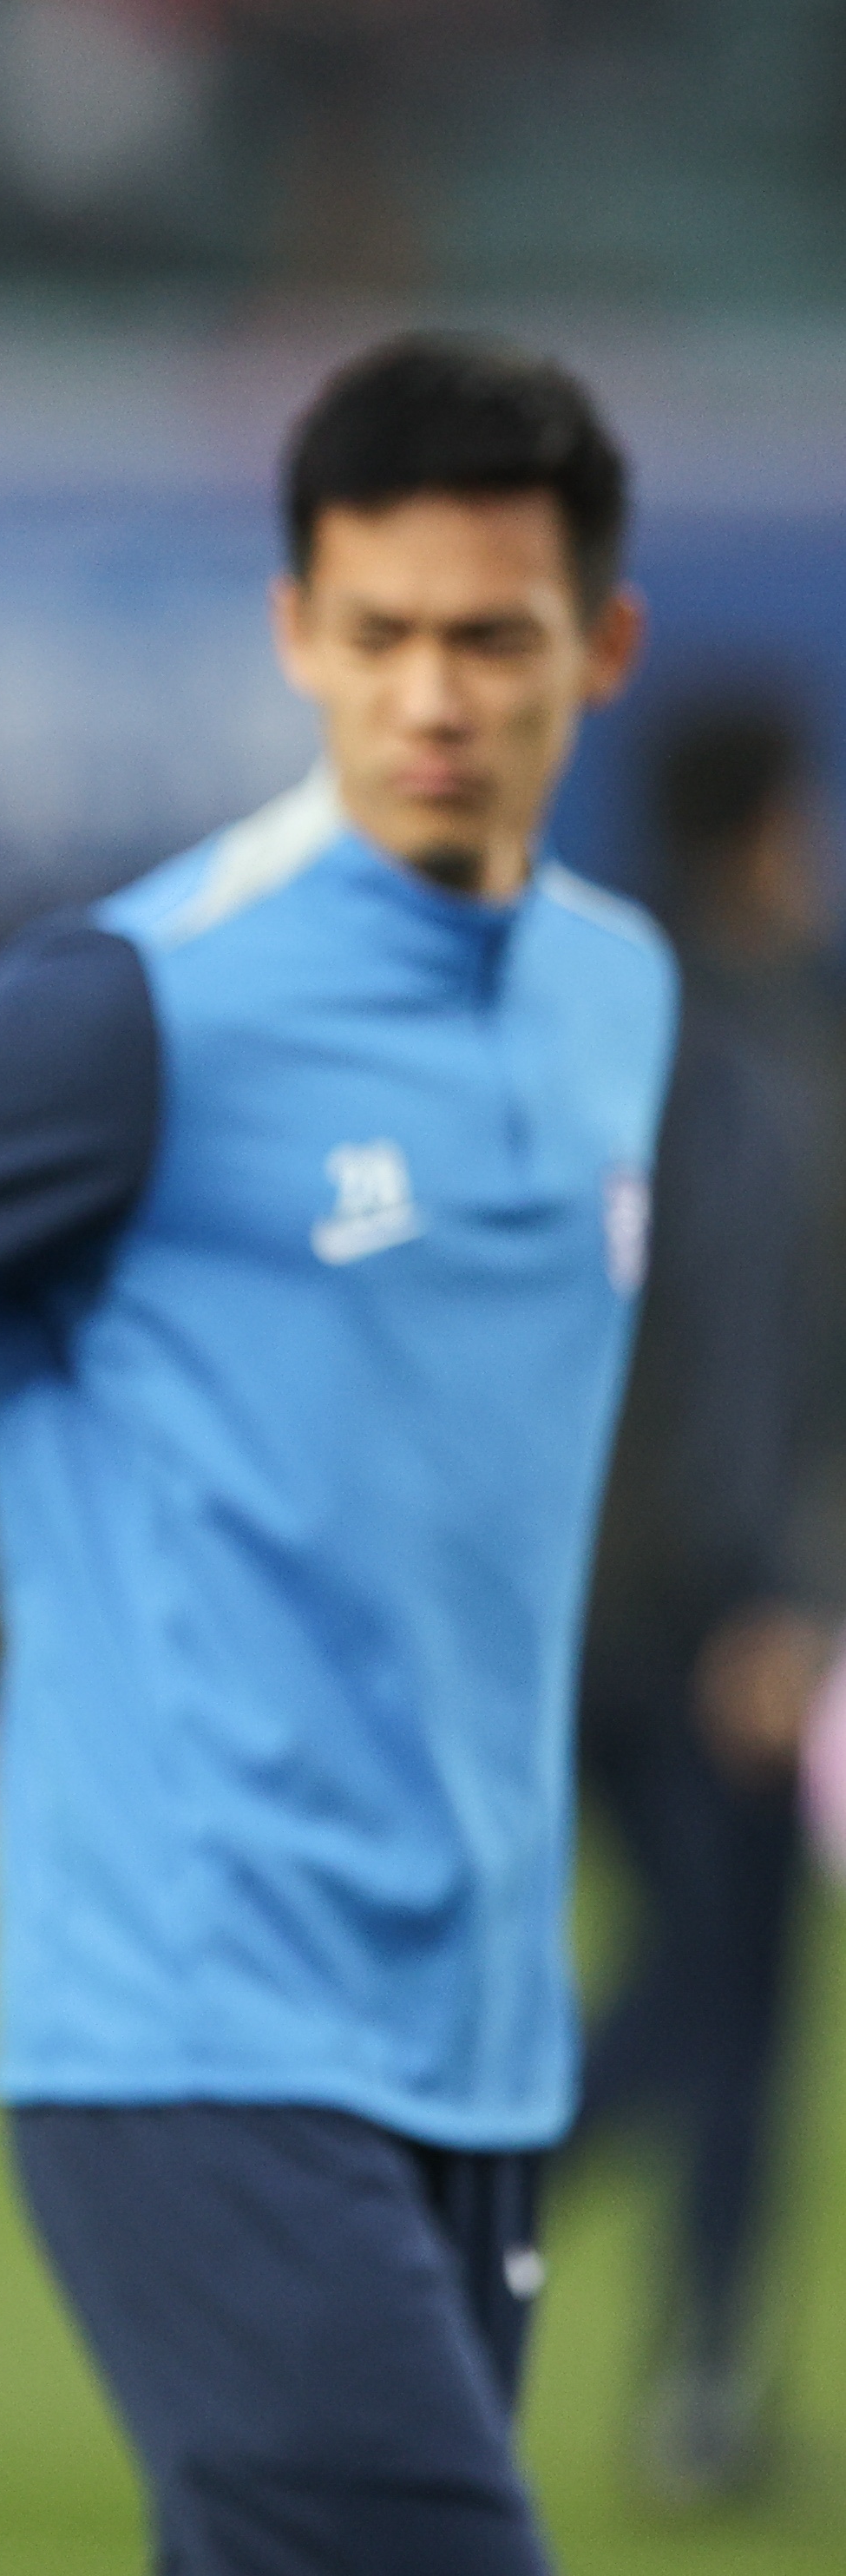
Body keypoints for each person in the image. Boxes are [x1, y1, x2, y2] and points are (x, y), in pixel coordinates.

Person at [0, 332, 664, 2574]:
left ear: (604, 647)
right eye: (377, 634)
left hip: (484, 2039)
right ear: (293, 631)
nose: (432, 697)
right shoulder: (140, 1005)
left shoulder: (617, 995)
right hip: (198, 2028)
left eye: (490, 639)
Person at [567, 693, 840, 2506]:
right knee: (715, 2000)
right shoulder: (747, 1051)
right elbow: (742, 1354)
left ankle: (706, 2389)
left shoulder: (599, 1016)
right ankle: (446, 2218)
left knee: (715, 1988)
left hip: (586, 1597)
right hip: (696, 1611)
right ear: (772, 828)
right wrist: (773, 1595)